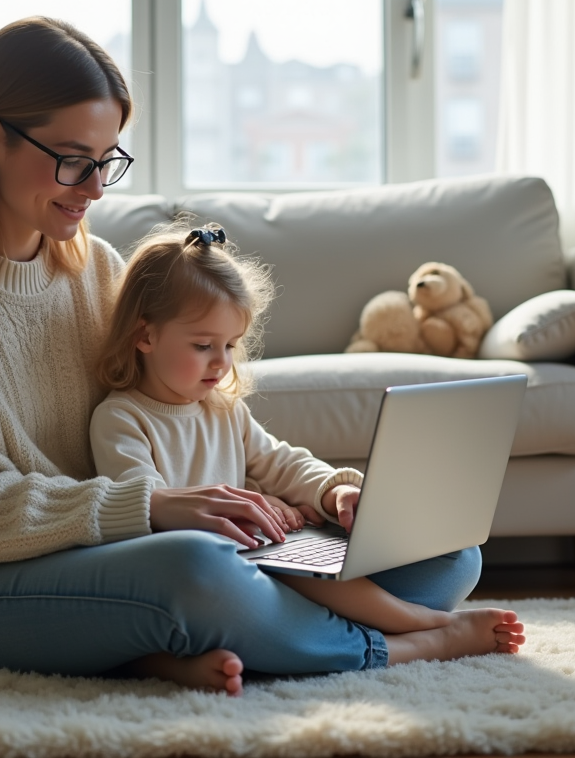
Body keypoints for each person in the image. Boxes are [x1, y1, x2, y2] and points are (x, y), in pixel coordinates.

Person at [0, 16, 522, 698]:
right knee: (199, 570)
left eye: (107, 162)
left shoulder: (95, 269)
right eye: (71, 160)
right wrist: (151, 506)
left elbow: (195, 414)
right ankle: (399, 644)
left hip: (92, 554)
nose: (93, 189)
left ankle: (168, 646)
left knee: (440, 553)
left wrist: (327, 495)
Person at [89, 222, 525, 650]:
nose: (221, 363)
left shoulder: (223, 410)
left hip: (265, 564)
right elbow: (147, 511)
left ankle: (301, 632)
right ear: (145, 335)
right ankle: (422, 624)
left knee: (459, 557)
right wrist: (255, 511)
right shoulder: (121, 418)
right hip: (218, 573)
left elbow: (280, 462)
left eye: (231, 345)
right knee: (291, 570)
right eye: (203, 346)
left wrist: (332, 491)